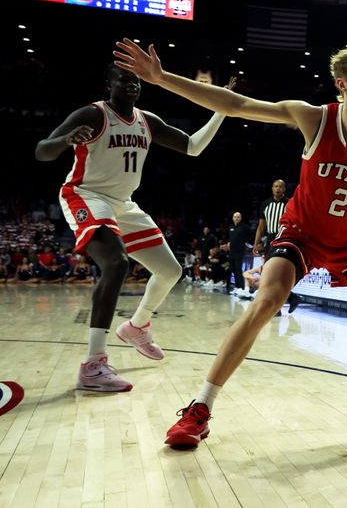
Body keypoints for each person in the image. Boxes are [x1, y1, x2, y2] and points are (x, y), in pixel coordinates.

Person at [112, 37, 347, 446]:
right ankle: (201, 408)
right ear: (342, 84)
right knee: (268, 300)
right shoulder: (314, 118)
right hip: (301, 235)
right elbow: (236, 104)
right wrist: (161, 79)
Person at [34, 65, 230, 392]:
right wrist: (67, 140)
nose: (132, 85)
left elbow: (193, 146)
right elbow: (42, 150)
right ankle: (93, 365)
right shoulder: (93, 114)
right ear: (107, 84)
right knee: (116, 263)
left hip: (124, 203)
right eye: (124, 79)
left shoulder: (146, 121)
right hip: (86, 195)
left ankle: (136, 326)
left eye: (136, 81)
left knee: (170, 271)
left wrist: (221, 111)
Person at [253, 179, 301, 313]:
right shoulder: (265, 204)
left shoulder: (290, 203)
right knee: (267, 273)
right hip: (270, 239)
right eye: (275, 186)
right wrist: (256, 243)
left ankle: (281, 304)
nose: (278, 188)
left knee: (275, 273)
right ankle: (291, 298)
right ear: (272, 188)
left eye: (280, 186)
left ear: (284, 189)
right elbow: (261, 226)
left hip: (285, 238)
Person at [227, 211, 250, 295]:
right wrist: (228, 242)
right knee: (233, 269)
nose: (236, 218)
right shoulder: (230, 227)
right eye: (235, 217)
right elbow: (229, 238)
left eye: (238, 217)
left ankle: (241, 287)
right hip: (231, 251)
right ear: (233, 218)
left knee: (238, 269)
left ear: (241, 218)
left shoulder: (244, 227)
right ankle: (237, 287)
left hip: (239, 252)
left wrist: (246, 242)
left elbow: (251, 234)